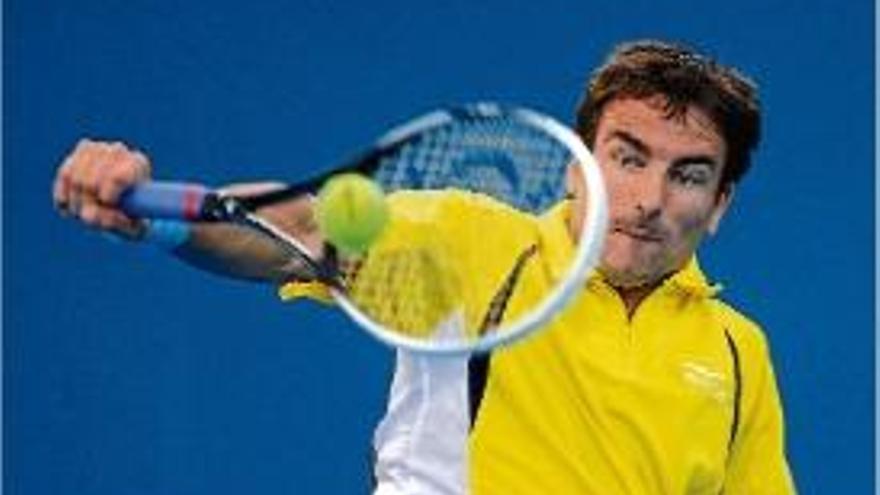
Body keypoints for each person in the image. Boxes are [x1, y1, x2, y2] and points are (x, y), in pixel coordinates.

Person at [52, 39, 795, 494]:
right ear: (578, 165)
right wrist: (154, 215)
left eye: (689, 175)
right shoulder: (471, 243)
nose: (648, 198)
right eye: (627, 158)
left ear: (721, 202)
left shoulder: (736, 350)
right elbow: (300, 227)